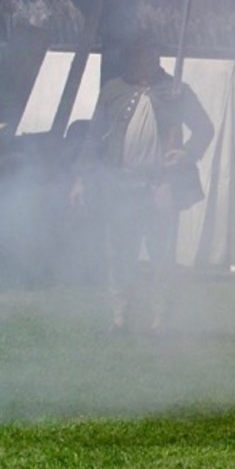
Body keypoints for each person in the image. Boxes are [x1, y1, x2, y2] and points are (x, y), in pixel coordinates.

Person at [70, 35, 213, 333]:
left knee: (161, 257)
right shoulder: (114, 90)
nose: (139, 60)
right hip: (120, 186)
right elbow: (94, 138)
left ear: (156, 57)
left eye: (145, 54)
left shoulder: (176, 91)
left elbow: (204, 128)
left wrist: (187, 153)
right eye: (135, 55)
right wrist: (81, 179)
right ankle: (120, 316)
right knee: (119, 253)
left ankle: (160, 319)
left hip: (160, 186)